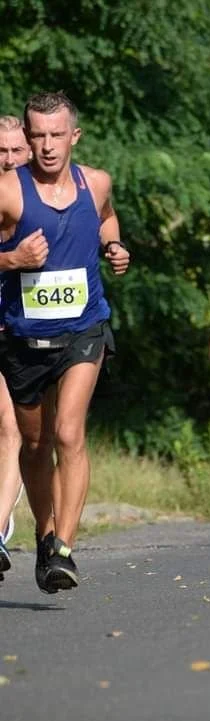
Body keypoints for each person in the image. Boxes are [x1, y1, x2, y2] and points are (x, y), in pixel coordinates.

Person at [0, 92, 130, 593]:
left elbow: (106, 217)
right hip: (24, 337)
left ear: (74, 136)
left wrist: (113, 246)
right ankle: (43, 530)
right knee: (36, 444)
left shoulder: (95, 183)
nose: (48, 146)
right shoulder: (10, 191)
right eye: (38, 137)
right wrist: (13, 261)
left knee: (70, 433)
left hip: (84, 329)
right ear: (28, 139)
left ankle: (63, 551)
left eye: (57, 135)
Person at [0, 114, 32, 579]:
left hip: (27, 335)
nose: (7, 161)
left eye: (15, 151)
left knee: (17, 432)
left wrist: (114, 246)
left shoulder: (47, 197)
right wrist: (12, 259)